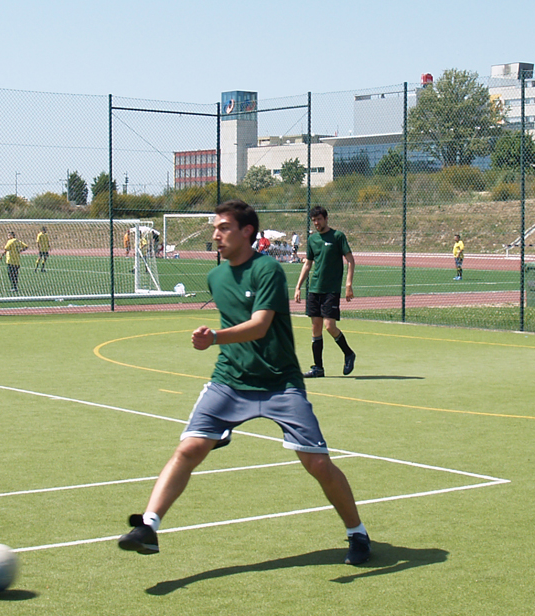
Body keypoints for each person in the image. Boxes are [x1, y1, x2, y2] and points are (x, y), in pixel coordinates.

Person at [117, 199, 372, 566]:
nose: (216, 234)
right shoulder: (215, 277)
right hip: (230, 381)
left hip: (280, 383)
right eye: (215, 229)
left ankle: (357, 532)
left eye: (223, 228)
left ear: (246, 231)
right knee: (188, 449)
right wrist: (219, 342)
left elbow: (260, 325)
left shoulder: (267, 270)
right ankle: (149, 527)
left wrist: (215, 337)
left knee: (317, 464)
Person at [293, 206, 357, 378]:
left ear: (326, 219)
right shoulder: (313, 239)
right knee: (316, 328)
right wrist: (298, 286)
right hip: (314, 289)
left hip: (331, 290)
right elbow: (308, 264)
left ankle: (349, 353)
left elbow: (351, 260)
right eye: (314, 220)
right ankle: (318, 368)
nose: (316, 223)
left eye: (319, 219)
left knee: (329, 326)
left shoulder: (338, 237)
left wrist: (348, 284)